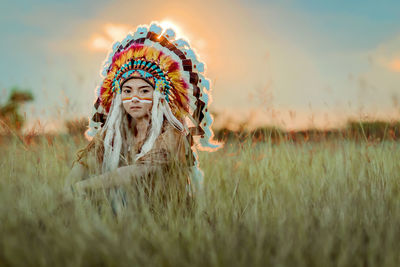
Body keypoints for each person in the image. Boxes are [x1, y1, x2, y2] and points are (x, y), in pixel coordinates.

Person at [64, 22, 220, 209]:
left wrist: (84, 186)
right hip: (127, 213)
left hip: (165, 214)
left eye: (144, 91)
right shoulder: (115, 130)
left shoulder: (172, 131)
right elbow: (85, 162)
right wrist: (68, 188)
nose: (134, 98)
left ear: (158, 96)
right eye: (127, 91)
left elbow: (136, 172)